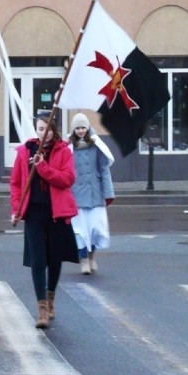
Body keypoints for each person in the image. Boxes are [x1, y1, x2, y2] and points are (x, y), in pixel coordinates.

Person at [10, 110, 79, 329]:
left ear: (54, 129)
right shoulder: (24, 151)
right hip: (34, 213)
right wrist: (16, 208)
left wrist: (43, 167)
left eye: (48, 129)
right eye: (40, 129)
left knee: (54, 259)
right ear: (36, 130)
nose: (44, 133)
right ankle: (41, 307)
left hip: (56, 212)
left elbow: (67, 179)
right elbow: (16, 183)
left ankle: (50, 298)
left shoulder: (63, 151)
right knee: (38, 260)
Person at [68, 112, 115, 275]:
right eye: (77, 128)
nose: (80, 131)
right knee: (81, 231)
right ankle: (84, 260)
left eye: (83, 127)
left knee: (95, 230)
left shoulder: (96, 145)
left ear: (87, 128)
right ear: (73, 130)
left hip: (95, 194)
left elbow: (104, 169)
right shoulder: (68, 147)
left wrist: (108, 193)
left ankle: (92, 256)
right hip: (76, 195)